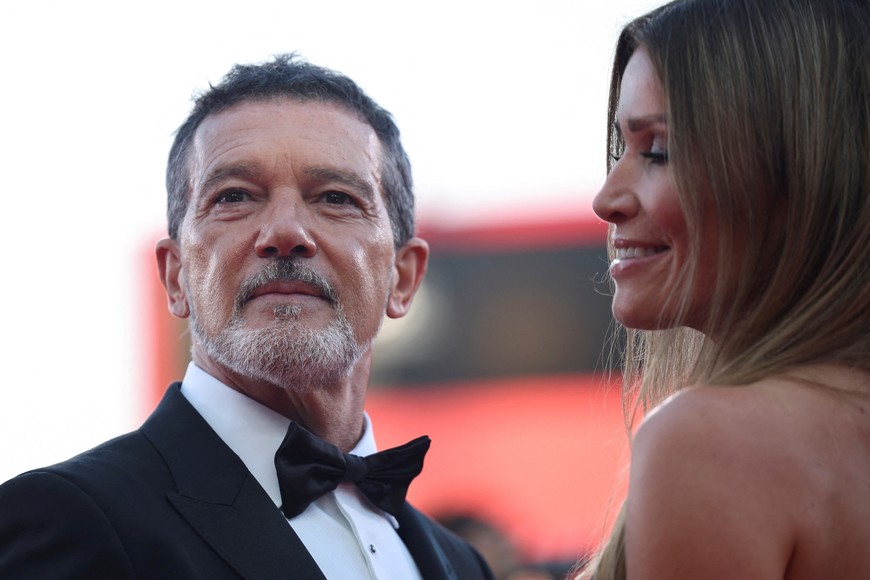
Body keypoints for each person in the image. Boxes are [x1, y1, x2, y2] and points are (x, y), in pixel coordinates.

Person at [0, 54, 493, 580]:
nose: (285, 231)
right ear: (176, 276)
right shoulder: (67, 517)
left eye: (334, 197)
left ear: (403, 277)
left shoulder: (463, 565)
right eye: (234, 197)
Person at [575, 0, 869, 578]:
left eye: (657, 151)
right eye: (621, 149)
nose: (607, 198)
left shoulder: (710, 441)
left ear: (802, 174)